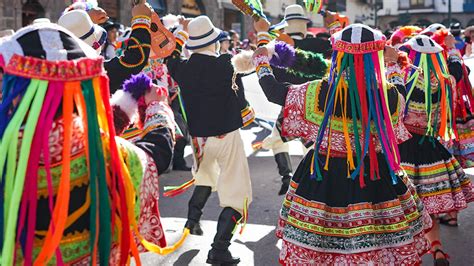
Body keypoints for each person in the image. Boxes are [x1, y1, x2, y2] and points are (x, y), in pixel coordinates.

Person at [0, 22, 182, 265]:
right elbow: (155, 154)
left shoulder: (7, 148)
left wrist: (128, 99)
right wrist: (157, 107)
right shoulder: (104, 152)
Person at [252, 19, 431, 265]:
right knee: (377, 248)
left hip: (324, 176)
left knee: (321, 251)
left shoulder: (317, 92)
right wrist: (394, 62)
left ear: (338, 55)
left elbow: (274, 92)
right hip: (376, 177)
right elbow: (400, 91)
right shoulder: (388, 96)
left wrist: (261, 61)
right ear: (375, 56)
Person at [165, 16, 252, 265]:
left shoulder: (181, 68)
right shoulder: (227, 64)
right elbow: (254, 61)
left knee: (205, 176)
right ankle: (219, 248)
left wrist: (182, 32)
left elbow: (170, 54)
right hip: (227, 135)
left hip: (199, 140)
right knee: (237, 193)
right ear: (215, 41)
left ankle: (192, 220)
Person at [398, 34, 474, 265]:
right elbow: (458, 69)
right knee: (427, 206)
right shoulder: (445, 81)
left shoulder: (403, 77)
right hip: (431, 149)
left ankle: (408, 253)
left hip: (402, 150)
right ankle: (437, 249)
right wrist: (451, 48)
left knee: (400, 207)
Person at [256, 4, 330, 195]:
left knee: (277, 140)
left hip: (289, 101)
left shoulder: (278, 48)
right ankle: (311, 179)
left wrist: (262, 37)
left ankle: (287, 176)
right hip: (316, 104)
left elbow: (271, 78)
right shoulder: (320, 45)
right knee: (312, 146)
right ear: (304, 25)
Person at [59, 2, 153, 93]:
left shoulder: (54, 71)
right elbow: (135, 59)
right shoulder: (93, 72)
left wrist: (85, 19)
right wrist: (141, 20)